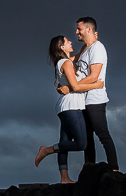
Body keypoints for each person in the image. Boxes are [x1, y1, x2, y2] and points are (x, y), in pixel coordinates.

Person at [34, 35, 89, 183]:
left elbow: (80, 54)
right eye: (67, 41)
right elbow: (75, 86)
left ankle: (64, 178)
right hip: (72, 106)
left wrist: (90, 42)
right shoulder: (66, 63)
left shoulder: (64, 61)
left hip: (65, 106)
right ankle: (47, 150)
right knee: (81, 143)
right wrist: (96, 83)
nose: (71, 42)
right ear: (61, 47)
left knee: (64, 141)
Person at [72, 17, 119, 171]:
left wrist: (73, 87)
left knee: (102, 134)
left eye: (79, 29)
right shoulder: (85, 48)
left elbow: (94, 76)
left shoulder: (97, 48)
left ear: (89, 29)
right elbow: (71, 61)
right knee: (87, 139)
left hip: (95, 99)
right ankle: (89, 170)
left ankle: (114, 169)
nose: (76, 32)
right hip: (83, 98)